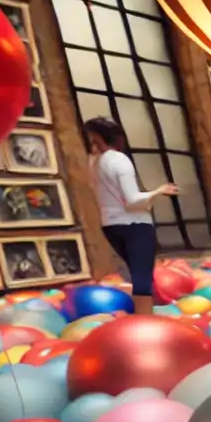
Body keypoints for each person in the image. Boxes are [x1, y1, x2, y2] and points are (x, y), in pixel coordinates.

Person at [84, 117, 177, 315]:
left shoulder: (93, 163)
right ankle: (145, 320)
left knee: (139, 271)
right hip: (135, 224)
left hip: (110, 225)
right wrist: (159, 191)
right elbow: (132, 200)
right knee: (141, 275)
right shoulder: (119, 159)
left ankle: (157, 307)